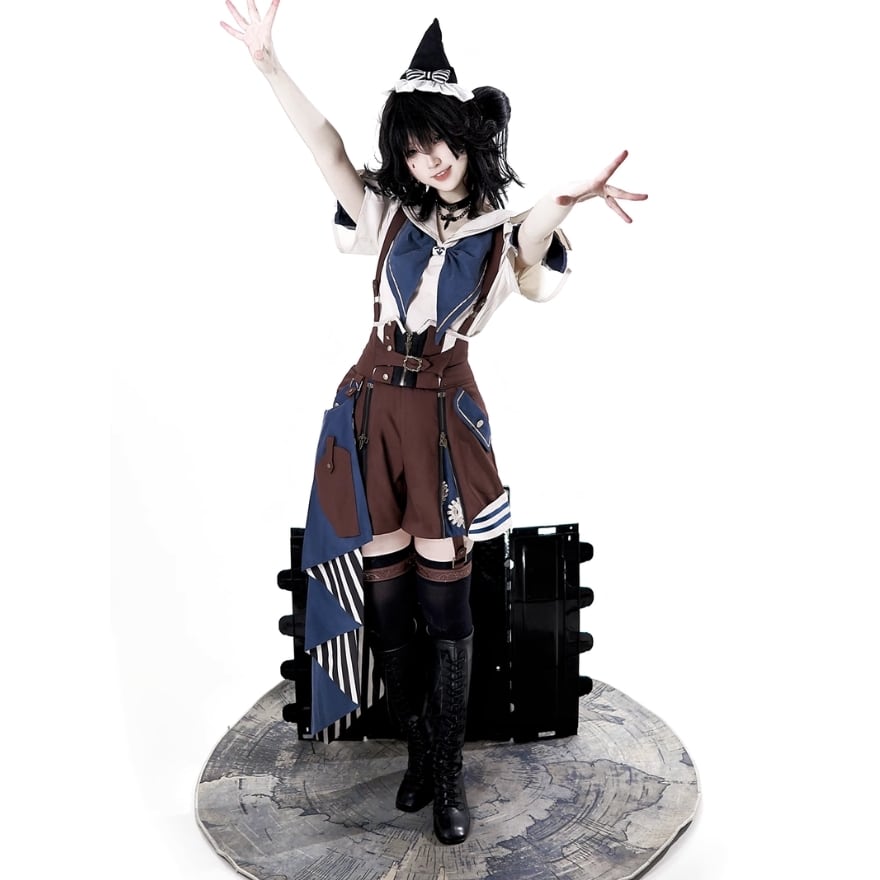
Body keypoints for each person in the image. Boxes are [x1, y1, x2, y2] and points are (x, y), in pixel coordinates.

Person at [220, 0, 646, 846]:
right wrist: (270, 67)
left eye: (438, 142)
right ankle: (420, 747)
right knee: (387, 593)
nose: (429, 160)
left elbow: (537, 227)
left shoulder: (499, 231)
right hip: (372, 405)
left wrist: (569, 198)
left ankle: (447, 772)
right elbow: (326, 149)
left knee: (446, 602)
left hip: (445, 415)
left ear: (466, 136)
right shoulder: (388, 212)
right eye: (413, 149)